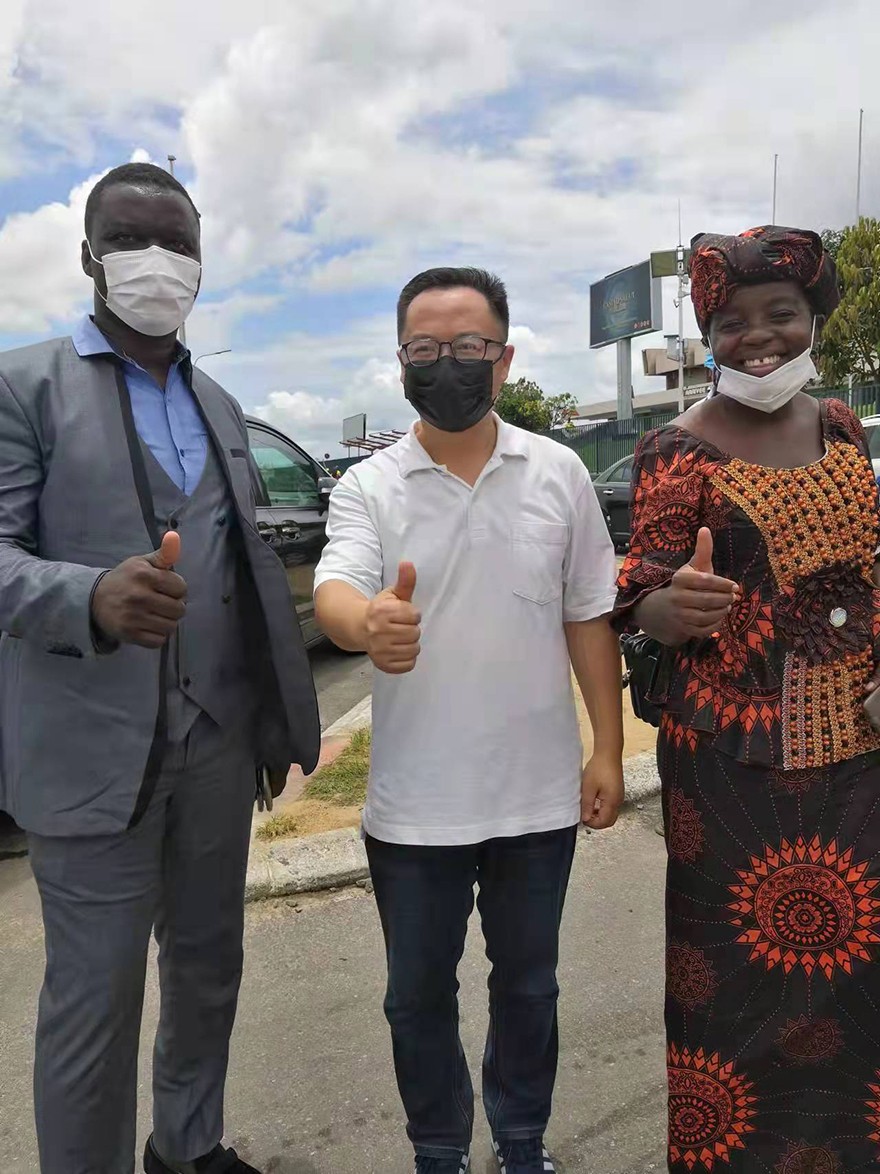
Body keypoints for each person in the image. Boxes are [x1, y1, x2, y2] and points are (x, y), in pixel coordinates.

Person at [0, 162, 320, 1174]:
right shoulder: (24, 386)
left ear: (201, 262)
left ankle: (186, 1147)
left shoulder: (219, 402)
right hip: (92, 753)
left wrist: (269, 717)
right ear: (89, 256)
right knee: (93, 1000)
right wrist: (87, 595)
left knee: (208, 965)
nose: (156, 260)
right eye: (131, 238)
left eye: (177, 242)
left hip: (216, 744)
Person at [314, 267, 624, 1174]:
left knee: (529, 988)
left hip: (535, 799)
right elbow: (336, 585)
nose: (445, 362)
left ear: (505, 357)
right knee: (416, 999)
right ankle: (439, 1150)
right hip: (415, 809)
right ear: (400, 360)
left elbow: (588, 616)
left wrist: (607, 749)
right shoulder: (369, 485)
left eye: (467, 346)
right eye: (424, 348)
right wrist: (365, 624)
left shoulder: (558, 472)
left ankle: (522, 1142)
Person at [614, 226, 880, 1171]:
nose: (758, 336)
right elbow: (634, 589)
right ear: (708, 335)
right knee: (734, 981)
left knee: (855, 970)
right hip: (731, 767)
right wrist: (668, 606)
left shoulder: (841, 426)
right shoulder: (673, 449)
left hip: (857, 750)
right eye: (731, 322)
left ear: (813, 320)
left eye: (781, 314)